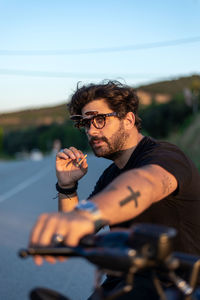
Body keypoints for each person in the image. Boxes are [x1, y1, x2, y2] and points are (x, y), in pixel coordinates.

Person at [30, 80, 200, 300]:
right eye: (86, 123)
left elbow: (146, 182)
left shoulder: (165, 156)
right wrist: (67, 186)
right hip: (125, 284)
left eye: (100, 120)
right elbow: (73, 233)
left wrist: (87, 214)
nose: (91, 131)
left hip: (175, 287)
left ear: (128, 120)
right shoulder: (110, 176)